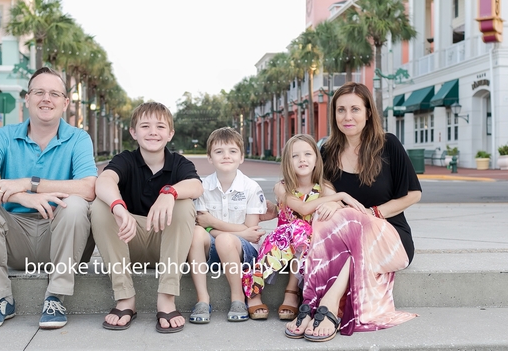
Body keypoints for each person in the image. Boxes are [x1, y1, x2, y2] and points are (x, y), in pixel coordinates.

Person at [0, 66, 97, 330]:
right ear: (27, 98)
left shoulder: (78, 138)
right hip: (14, 239)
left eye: (55, 93)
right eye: (39, 92)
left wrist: (30, 184)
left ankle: (55, 297)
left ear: (65, 103)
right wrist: (22, 196)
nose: (47, 98)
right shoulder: (4, 136)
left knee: (77, 204)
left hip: (61, 238)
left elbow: (89, 188)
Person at [285, 82, 421, 342]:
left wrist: (371, 213)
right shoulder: (327, 151)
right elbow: (324, 196)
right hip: (346, 239)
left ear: (368, 113)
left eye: (355, 109)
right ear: (334, 114)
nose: (347, 117)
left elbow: (414, 194)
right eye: (341, 110)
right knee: (331, 216)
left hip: (391, 237)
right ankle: (325, 306)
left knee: (348, 218)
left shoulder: (388, 145)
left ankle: (323, 302)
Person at [91, 102, 203, 334]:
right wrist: (119, 207)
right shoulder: (126, 159)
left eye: (160, 126)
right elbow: (104, 181)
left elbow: (195, 186)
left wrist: (169, 192)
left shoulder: (179, 163)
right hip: (129, 240)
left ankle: (166, 298)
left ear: (170, 134)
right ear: (133, 132)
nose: (153, 131)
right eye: (145, 126)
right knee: (101, 206)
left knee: (183, 203)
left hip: (166, 245)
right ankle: (125, 298)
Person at [242, 134, 363, 321]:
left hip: (309, 246)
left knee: (307, 232)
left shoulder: (324, 188)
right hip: (281, 242)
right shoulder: (281, 187)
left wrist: (336, 203)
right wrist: (342, 196)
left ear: (316, 159)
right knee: (298, 226)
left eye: (307, 154)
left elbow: (339, 215)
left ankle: (292, 290)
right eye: (295, 156)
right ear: (287, 162)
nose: (302, 159)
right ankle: (254, 291)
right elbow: (303, 208)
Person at [188, 127, 267, 324]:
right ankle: (202, 300)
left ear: (241, 157)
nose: (226, 156)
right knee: (196, 233)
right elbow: (203, 227)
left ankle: (238, 297)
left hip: (243, 251)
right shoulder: (202, 187)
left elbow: (252, 231)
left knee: (223, 238)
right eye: (219, 151)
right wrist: (215, 228)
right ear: (209, 157)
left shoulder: (250, 187)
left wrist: (212, 223)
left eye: (232, 151)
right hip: (213, 250)